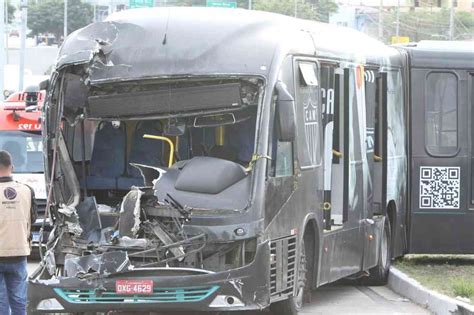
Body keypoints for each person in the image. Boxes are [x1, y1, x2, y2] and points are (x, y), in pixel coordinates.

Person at [0, 150, 37, 315]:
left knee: (1, 302)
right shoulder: (27, 190)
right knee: (19, 301)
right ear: (12, 167)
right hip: (19, 252)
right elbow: (33, 218)